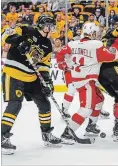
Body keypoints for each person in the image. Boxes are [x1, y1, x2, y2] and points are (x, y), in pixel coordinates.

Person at [56, 23, 118, 144]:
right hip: (87, 82)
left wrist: (61, 64)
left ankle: (91, 126)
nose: (98, 35)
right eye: (96, 33)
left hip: (78, 79)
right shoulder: (96, 45)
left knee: (99, 99)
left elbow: (60, 53)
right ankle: (67, 133)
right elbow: (113, 55)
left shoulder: (73, 43)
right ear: (92, 33)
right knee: (86, 110)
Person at [1, 15, 62, 155]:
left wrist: (47, 82)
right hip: (13, 72)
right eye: (49, 25)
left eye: (52, 26)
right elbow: (5, 35)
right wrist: (19, 41)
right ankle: (2, 137)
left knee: (45, 104)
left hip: (31, 76)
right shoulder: (26, 29)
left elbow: (44, 65)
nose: (51, 28)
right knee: (15, 104)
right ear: (41, 25)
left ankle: (46, 134)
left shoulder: (47, 44)